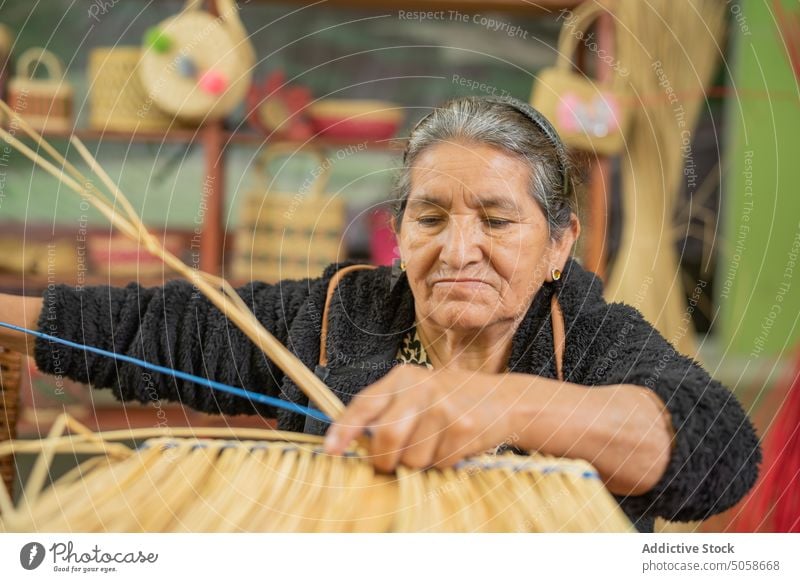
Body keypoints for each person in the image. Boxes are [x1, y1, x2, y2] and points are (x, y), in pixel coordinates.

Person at [0, 96, 760, 532]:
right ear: (402, 231)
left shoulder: (589, 336)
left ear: (560, 244)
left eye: (496, 221)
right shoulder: (340, 312)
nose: (458, 250)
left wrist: (501, 402)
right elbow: (149, 331)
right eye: (430, 219)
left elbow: (720, 450)